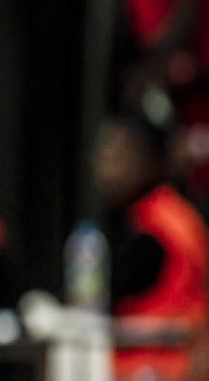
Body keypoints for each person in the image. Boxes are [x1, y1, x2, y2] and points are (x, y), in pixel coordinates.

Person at [94, 116, 209, 379]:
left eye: (119, 156)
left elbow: (106, 292)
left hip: (159, 364)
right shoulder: (171, 211)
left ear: (146, 161)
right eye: (103, 155)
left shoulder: (155, 225)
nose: (107, 168)